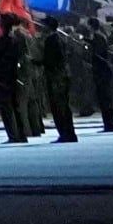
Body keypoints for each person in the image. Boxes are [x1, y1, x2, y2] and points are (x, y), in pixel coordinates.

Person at [34, 18, 80, 146]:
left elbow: (51, 60)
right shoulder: (61, 38)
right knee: (65, 106)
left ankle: (64, 133)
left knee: (58, 107)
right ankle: (69, 133)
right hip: (63, 75)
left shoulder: (51, 40)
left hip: (55, 77)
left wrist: (37, 62)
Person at [0, 14, 33, 145]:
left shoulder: (3, 41)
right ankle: (21, 134)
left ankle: (13, 135)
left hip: (3, 77)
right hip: (13, 75)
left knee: (6, 108)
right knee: (16, 106)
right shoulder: (15, 39)